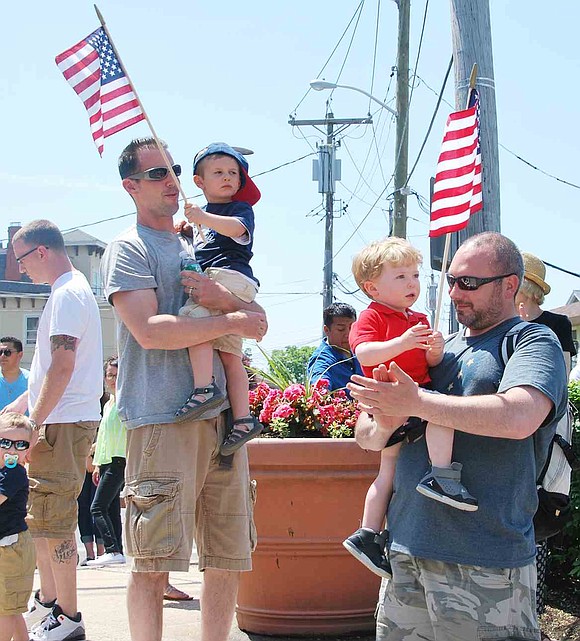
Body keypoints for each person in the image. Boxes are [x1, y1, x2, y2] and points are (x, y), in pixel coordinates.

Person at [348, 232, 568, 641]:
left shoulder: (532, 340)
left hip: (486, 560)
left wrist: (417, 402)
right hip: (405, 553)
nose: (454, 292)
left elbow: (520, 416)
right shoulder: (438, 349)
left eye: (468, 282)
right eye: (451, 280)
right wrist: (382, 416)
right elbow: (369, 438)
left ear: (509, 285)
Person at [100, 137, 267, 641]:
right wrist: (230, 317)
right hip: (162, 418)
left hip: (224, 423)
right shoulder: (128, 248)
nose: (170, 179)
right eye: (156, 174)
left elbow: (258, 324)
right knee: (153, 561)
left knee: (227, 556)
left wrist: (227, 306)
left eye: (173, 169)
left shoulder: (199, 244)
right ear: (131, 187)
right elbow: (151, 331)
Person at [344, 238, 473, 579]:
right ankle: (440, 476)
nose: (412, 283)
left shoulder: (418, 318)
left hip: (413, 393)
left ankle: (368, 535)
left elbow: (430, 362)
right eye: (400, 277)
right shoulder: (371, 316)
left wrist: (435, 348)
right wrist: (403, 342)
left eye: (414, 275)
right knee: (439, 416)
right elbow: (365, 355)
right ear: (372, 287)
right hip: (390, 397)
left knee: (391, 467)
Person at [7, 220, 103, 641]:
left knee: (57, 524)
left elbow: (63, 366)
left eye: (22, 259)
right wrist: (21, 405)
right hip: (59, 419)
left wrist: (31, 423)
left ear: (41, 252)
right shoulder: (67, 292)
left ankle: (67, 618)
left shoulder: (66, 295)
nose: (21, 270)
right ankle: (50, 607)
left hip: (62, 423)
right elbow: (52, 369)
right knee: (43, 521)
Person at [175, 143, 263, 456]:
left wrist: (202, 217)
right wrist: (189, 228)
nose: (227, 178)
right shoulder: (204, 220)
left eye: (233, 173)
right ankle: (242, 419)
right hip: (233, 281)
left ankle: (204, 388)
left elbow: (237, 230)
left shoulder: (238, 210)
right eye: (218, 172)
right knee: (230, 353)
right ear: (199, 181)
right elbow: (205, 239)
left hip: (228, 276)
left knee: (194, 324)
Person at [516, 251, 576, 637]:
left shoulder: (555, 323)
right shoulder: (498, 326)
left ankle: (532, 618)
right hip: (511, 425)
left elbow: (563, 374)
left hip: (550, 421)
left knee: (542, 501)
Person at [86, 357, 126, 567]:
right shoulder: (109, 403)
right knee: (110, 508)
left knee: (97, 507)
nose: (112, 379)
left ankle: (111, 549)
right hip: (108, 460)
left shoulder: (126, 400)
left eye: (116, 375)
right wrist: (98, 464)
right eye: (109, 375)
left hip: (121, 459)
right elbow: (104, 438)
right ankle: (116, 550)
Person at [0, 413, 36, 641]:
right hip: (8, 547)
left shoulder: (14, 472)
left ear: (27, 450)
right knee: (10, 608)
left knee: (6, 609)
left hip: (12, 549)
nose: (12, 449)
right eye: (5, 443)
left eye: (20, 444)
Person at [307, 303, 363, 394]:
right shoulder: (322, 360)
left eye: (352, 328)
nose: (348, 334)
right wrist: (323, 393)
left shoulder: (360, 353)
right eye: (341, 329)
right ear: (326, 330)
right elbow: (319, 388)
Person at [0, 337, 29, 412]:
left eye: (7, 352)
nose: (2, 356)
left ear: (20, 355)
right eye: (0, 352)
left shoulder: (31, 380)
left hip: (25, 423)